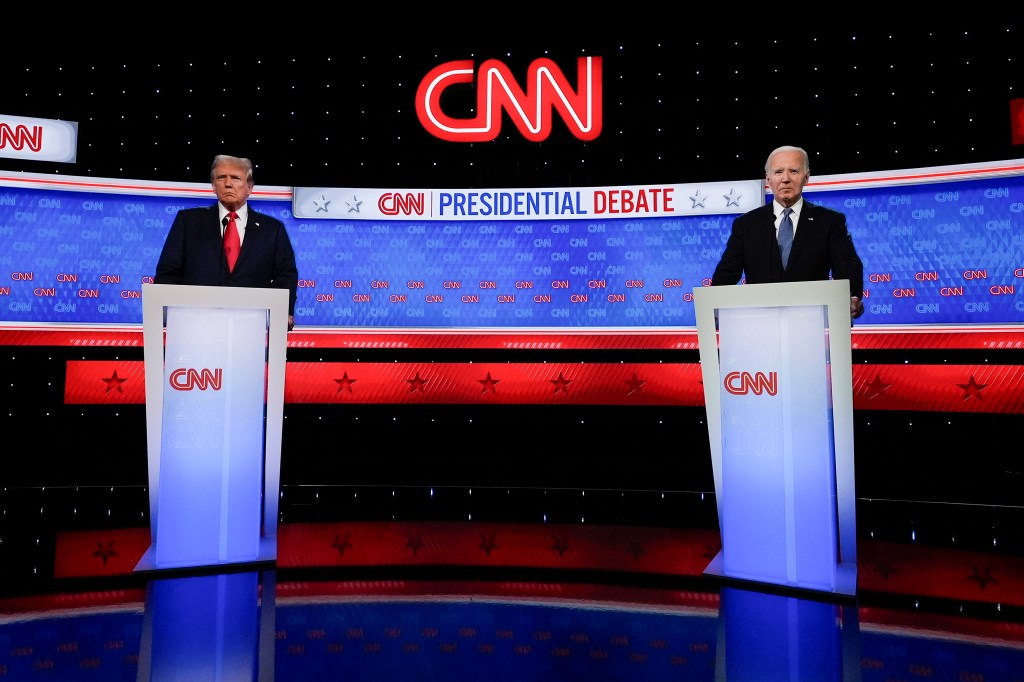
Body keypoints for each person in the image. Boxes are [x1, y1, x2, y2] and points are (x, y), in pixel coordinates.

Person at [711, 145, 865, 319]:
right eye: (778, 172)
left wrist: (851, 297)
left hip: (812, 322)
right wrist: (712, 302)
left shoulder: (830, 221)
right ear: (768, 179)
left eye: (793, 171)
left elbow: (846, 265)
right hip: (759, 324)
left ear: (806, 178)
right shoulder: (746, 225)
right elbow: (726, 274)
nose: (785, 179)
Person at [154, 154, 298, 330]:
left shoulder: (272, 229)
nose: (228, 183)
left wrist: (284, 311)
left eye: (236, 178)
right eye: (221, 177)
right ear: (213, 186)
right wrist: (165, 312)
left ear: (250, 187)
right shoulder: (188, 222)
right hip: (193, 327)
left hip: (249, 329)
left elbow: (286, 275)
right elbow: (168, 272)